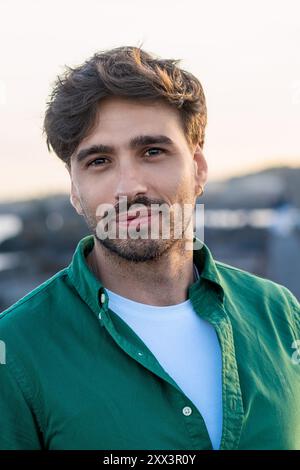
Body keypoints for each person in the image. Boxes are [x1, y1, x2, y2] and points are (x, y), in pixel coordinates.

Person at [0, 46, 299, 451]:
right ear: (74, 190)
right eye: (99, 161)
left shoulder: (280, 314)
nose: (129, 187)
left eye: (152, 152)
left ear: (199, 168)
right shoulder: (15, 347)